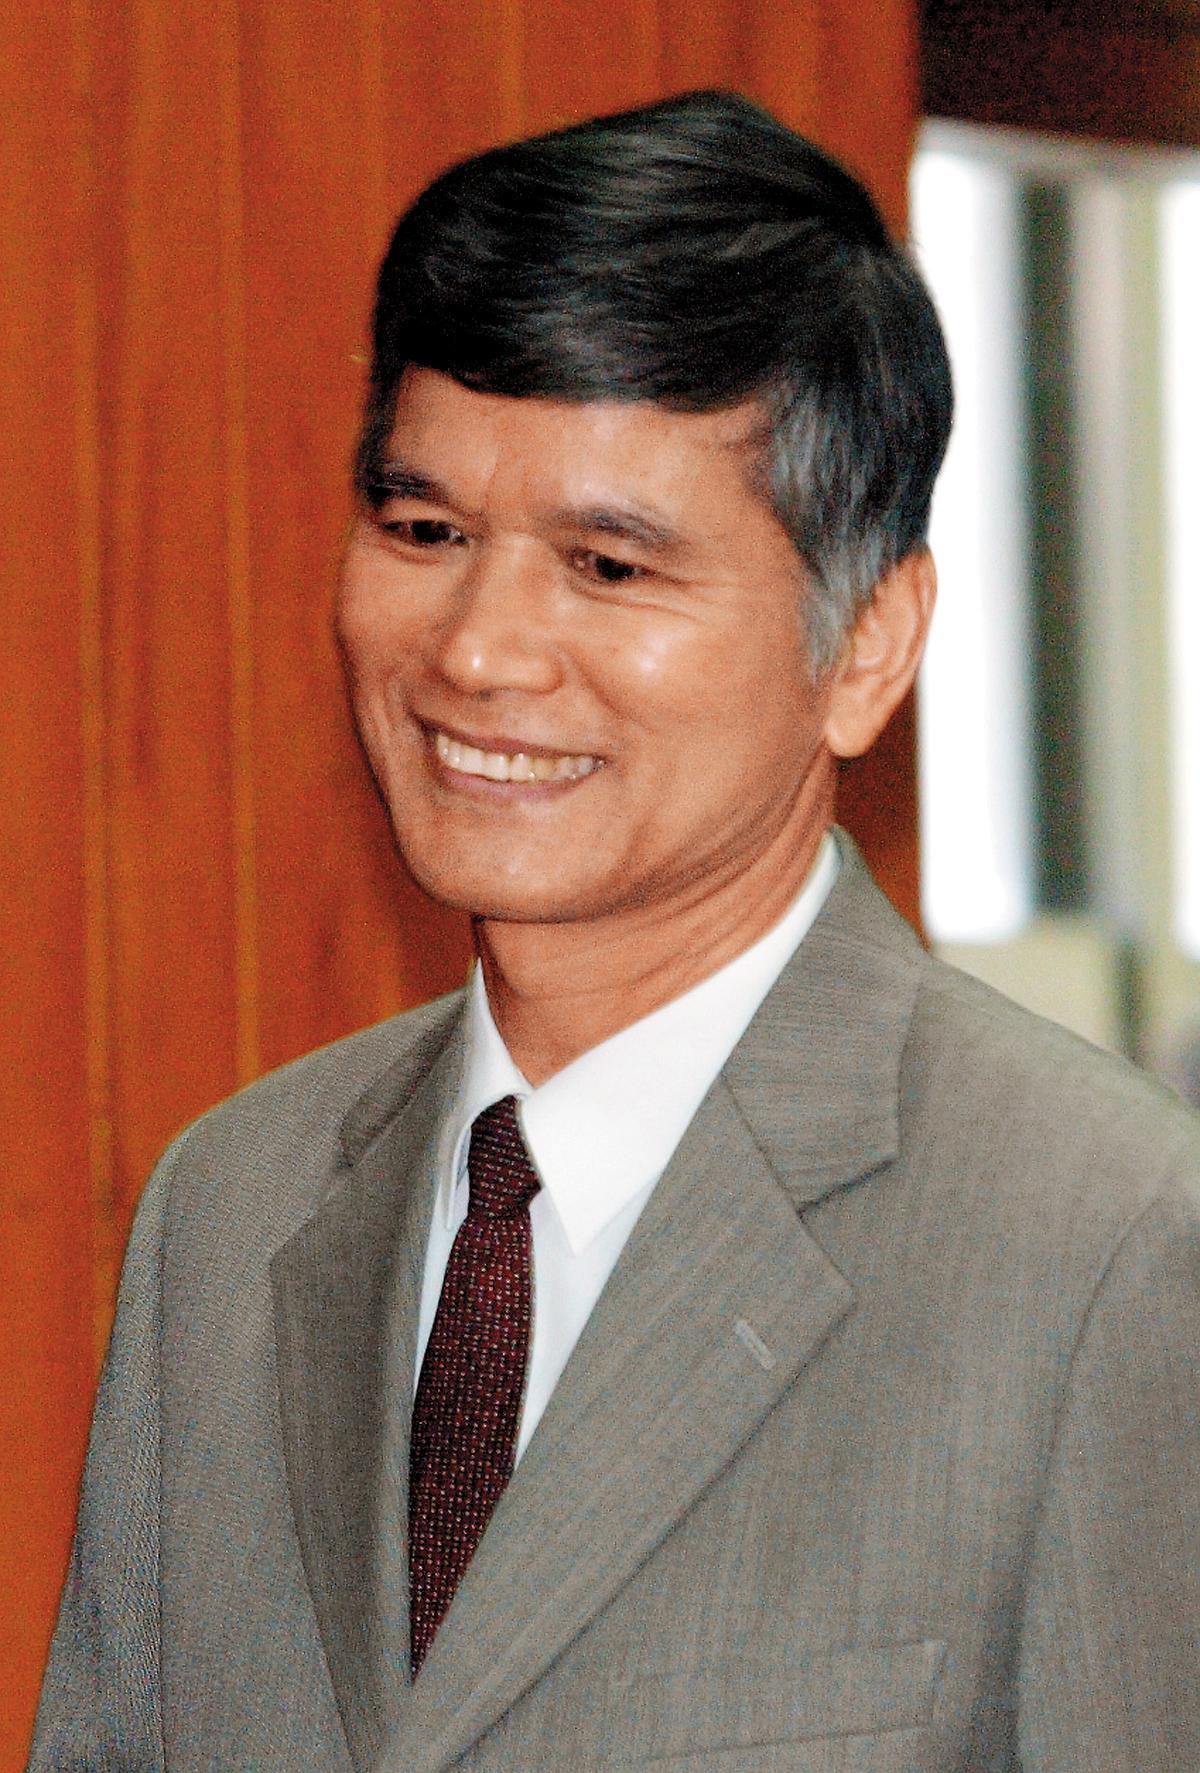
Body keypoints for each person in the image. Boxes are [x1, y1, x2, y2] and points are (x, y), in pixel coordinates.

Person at [30, 91, 1200, 1773]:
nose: (479, 650)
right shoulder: (231, 1211)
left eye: (608, 565)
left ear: (869, 643)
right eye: (424, 531)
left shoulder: (1105, 1242)